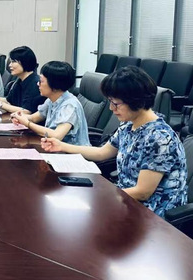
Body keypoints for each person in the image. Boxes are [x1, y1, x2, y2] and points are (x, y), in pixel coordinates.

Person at [41, 66, 188, 218]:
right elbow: (102, 152)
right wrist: (61, 145)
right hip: (126, 201)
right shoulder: (129, 125)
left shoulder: (159, 138)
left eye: (116, 104)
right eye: (110, 102)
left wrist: (101, 195)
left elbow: (143, 192)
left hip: (152, 214)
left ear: (136, 101)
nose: (111, 108)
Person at [11, 61, 89, 145]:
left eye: (41, 81)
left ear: (55, 85)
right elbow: (34, 118)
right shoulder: (52, 99)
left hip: (71, 151)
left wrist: (27, 123)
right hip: (52, 147)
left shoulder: (70, 105)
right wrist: (20, 117)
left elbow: (57, 136)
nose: (38, 84)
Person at [0, 46, 45, 114]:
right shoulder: (20, 80)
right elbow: (8, 100)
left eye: (13, 62)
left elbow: (27, 111)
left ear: (25, 62)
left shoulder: (35, 83)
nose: (10, 65)